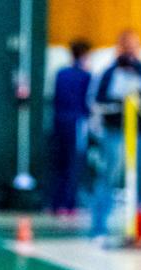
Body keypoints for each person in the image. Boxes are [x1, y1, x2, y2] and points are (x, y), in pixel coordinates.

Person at [90, 29, 141, 241]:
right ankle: (99, 227)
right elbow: (99, 101)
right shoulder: (109, 73)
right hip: (115, 133)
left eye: (134, 46)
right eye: (126, 46)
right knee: (109, 176)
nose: (130, 51)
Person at [49, 38, 91, 216]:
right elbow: (87, 102)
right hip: (75, 123)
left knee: (60, 163)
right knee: (72, 163)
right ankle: (68, 204)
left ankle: (56, 203)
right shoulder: (85, 76)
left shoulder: (61, 73)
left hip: (59, 121)